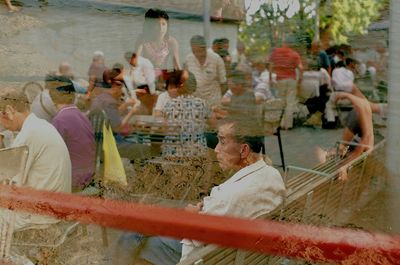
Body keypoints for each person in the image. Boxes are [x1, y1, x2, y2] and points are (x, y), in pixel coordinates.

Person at [112, 117, 286, 265]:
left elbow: (198, 235)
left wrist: (194, 215)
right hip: (239, 253)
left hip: (205, 255)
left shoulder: (234, 194)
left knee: (137, 232)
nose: (216, 149)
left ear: (244, 150)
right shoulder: (272, 174)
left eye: (223, 142)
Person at [0, 88, 71, 231]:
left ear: (9, 111)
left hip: (38, 215)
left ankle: (10, 253)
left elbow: (9, 185)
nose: (1, 124)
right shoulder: (41, 125)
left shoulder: (27, 135)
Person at [48, 76, 96, 191]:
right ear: (73, 95)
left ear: (53, 98)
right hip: (89, 177)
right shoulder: (82, 116)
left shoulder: (59, 120)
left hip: (73, 181)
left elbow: (52, 156)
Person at [161, 70, 211, 158]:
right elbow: (213, 125)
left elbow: (164, 129)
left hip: (172, 154)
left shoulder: (169, 104)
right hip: (196, 154)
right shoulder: (202, 103)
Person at [268, 36, 303, 129]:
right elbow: (300, 68)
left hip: (280, 79)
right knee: (290, 102)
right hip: (291, 79)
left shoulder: (276, 52)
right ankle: (288, 125)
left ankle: (279, 123)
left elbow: (271, 66)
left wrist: (270, 78)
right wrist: (300, 79)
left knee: (281, 101)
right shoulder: (295, 54)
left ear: (284, 42)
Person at [184, 35, 227, 108]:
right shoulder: (188, 59)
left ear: (205, 47)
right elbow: (186, 81)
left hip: (213, 104)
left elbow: (223, 83)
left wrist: (218, 99)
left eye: (200, 51)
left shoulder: (216, 59)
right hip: (195, 103)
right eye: (194, 51)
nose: (197, 54)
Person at [135, 9, 181, 73]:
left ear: (167, 25)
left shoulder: (171, 42)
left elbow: (176, 66)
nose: (161, 28)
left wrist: (180, 77)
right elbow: (135, 61)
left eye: (163, 24)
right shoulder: (143, 38)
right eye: (157, 24)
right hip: (145, 74)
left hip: (163, 75)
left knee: (184, 74)